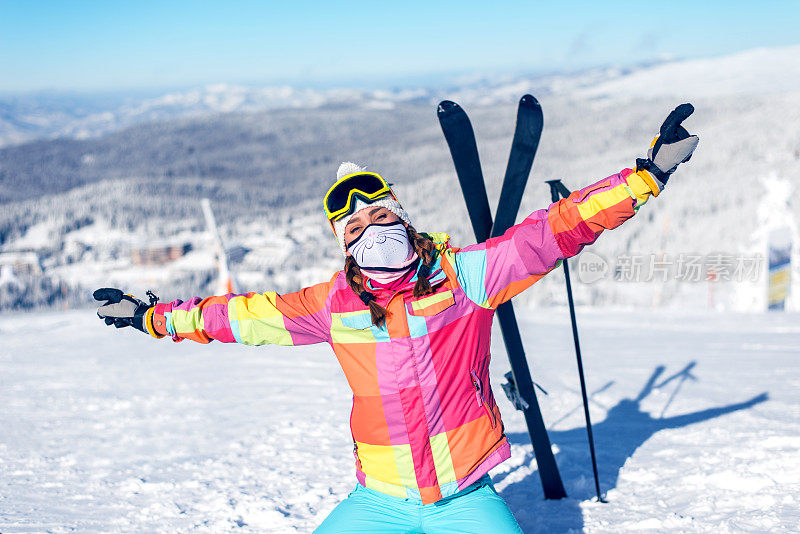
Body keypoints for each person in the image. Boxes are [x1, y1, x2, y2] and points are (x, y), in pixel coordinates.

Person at [94, 104, 699, 533]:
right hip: (377, 502)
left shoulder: (465, 278)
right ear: (344, 245)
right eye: (354, 228)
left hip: (464, 500)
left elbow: (556, 230)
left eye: (379, 215)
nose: (370, 230)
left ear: (403, 219)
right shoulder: (332, 307)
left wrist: (646, 176)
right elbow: (240, 318)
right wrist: (154, 317)